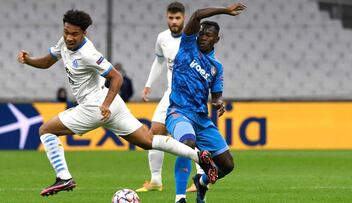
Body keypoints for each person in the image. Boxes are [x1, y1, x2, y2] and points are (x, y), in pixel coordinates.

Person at [16, 9, 217, 197]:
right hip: (110, 106)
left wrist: (104, 105)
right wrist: (29, 60)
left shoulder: (88, 54)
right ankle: (199, 156)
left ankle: (64, 177)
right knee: (147, 141)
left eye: (74, 34)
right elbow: (47, 61)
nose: (69, 37)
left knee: (46, 130)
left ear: (84, 33)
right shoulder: (64, 42)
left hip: (96, 105)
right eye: (66, 32)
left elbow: (117, 77)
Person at [165, 3, 246, 203]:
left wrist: (219, 103)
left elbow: (216, 95)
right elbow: (197, 14)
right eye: (202, 33)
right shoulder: (187, 46)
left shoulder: (216, 67)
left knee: (227, 165)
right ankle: (180, 197)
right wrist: (226, 11)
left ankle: (201, 182)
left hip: (201, 120)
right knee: (187, 143)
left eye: (208, 35)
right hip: (179, 111)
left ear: (216, 40)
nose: (203, 37)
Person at [136, 2, 203, 200]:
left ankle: (199, 177)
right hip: (170, 94)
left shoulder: (194, 38)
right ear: (167, 18)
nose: (174, 22)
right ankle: (156, 180)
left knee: (191, 138)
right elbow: (159, 61)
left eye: (178, 18)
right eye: (171, 18)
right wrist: (149, 84)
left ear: (184, 18)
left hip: (191, 96)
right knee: (154, 133)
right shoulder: (162, 38)